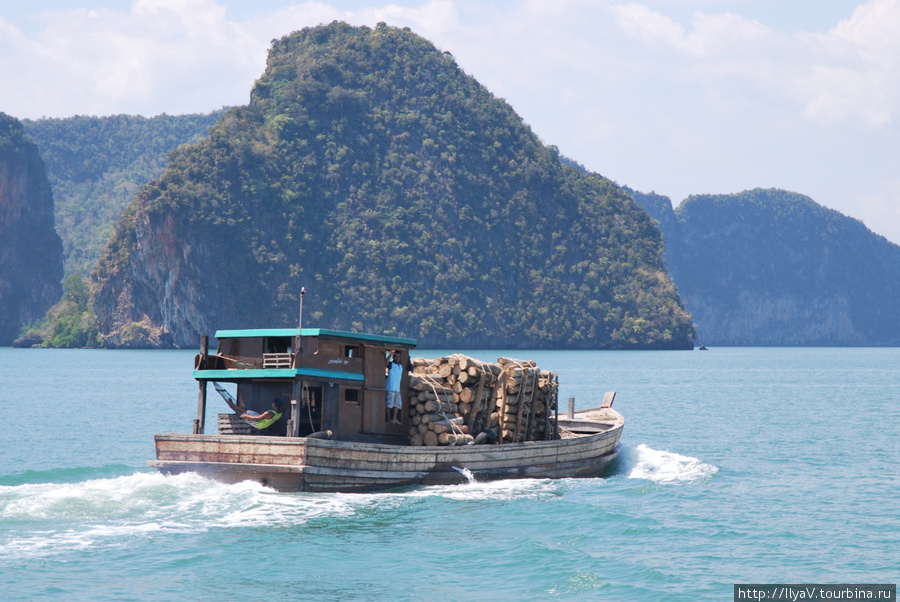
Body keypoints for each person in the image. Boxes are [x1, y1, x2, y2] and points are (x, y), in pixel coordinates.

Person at [385, 351, 404, 425]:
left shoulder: (400, 366)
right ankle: (389, 419)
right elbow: (385, 363)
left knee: (397, 405)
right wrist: (390, 354)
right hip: (390, 387)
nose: (397, 358)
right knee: (389, 404)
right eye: (396, 356)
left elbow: (400, 378)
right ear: (393, 357)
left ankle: (394, 418)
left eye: (399, 356)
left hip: (397, 389)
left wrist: (401, 388)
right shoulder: (391, 364)